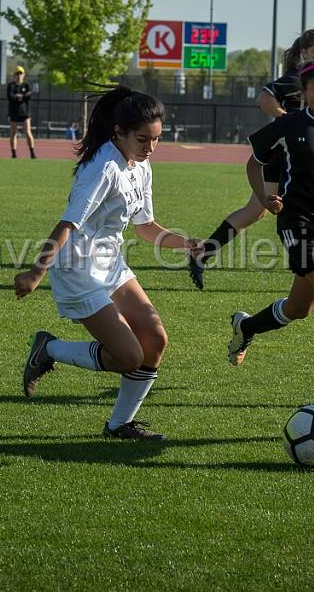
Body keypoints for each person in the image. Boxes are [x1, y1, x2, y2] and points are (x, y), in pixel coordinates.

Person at [14, 86, 202, 441]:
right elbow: (68, 223)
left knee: (155, 340)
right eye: (143, 139)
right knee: (129, 356)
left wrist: (185, 244)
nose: (150, 148)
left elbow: (145, 227)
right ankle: (48, 349)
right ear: (119, 132)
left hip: (110, 264)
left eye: (157, 140)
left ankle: (119, 425)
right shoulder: (102, 168)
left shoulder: (141, 166)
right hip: (78, 271)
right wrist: (37, 271)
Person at [228, 57, 314, 409]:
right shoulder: (288, 125)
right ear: (304, 92)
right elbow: (254, 162)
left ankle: (246, 328)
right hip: (297, 225)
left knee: (298, 308)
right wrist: (264, 197)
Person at [189, 30, 314, 291]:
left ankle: (204, 252)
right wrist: (286, 121)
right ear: (303, 54)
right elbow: (264, 97)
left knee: (258, 211)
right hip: (285, 157)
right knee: (266, 209)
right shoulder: (298, 79)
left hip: (302, 156)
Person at [7, 66, 37, 159]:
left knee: (28, 132)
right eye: (17, 74)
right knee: (13, 133)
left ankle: (32, 153)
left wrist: (20, 96)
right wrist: (19, 97)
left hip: (25, 113)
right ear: (14, 75)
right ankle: (14, 154)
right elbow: (10, 97)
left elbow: (29, 96)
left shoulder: (26, 85)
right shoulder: (11, 86)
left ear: (24, 75)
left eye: (21, 73)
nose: (19, 75)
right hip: (14, 112)